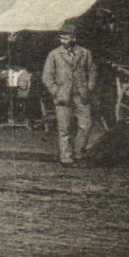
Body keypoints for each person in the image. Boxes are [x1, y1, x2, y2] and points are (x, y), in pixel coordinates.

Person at [42, 17, 97, 166]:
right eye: (61, 38)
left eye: (66, 38)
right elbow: (47, 76)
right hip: (62, 96)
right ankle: (66, 158)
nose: (63, 41)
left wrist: (88, 88)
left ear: (74, 38)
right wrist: (55, 91)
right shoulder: (54, 54)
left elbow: (92, 72)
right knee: (64, 128)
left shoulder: (85, 53)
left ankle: (79, 153)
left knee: (87, 125)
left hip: (81, 95)